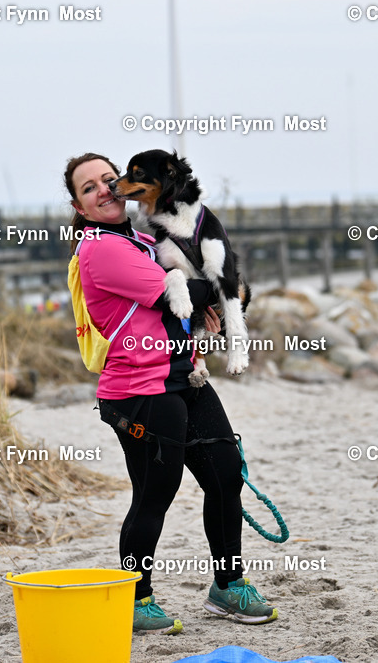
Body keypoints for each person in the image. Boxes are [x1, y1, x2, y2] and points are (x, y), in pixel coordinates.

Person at [65, 152, 279, 634]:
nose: (104, 189)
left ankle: (228, 587)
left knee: (225, 476)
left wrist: (225, 297)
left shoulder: (146, 238)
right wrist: (225, 289)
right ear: (79, 206)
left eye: (108, 179)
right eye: (88, 188)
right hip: (138, 389)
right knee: (155, 494)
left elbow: (212, 285)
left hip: (184, 375)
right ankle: (136, 598)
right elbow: (182, 292)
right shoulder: (99, 249)